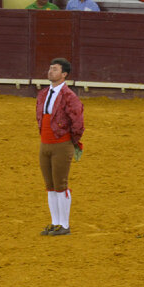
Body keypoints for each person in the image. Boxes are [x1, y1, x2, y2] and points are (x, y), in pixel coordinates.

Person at [36, 58, 84, 236]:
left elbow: (78, 122)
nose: (50, 72)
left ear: (64, 74)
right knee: (50, 185)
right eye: (50, 68)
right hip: (45, 143)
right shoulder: (43, 94)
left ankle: (64, 224)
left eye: (55, 69)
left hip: (61, 144)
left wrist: (70, 141)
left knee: (60, 184)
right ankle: (55, 222)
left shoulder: (69, 96)